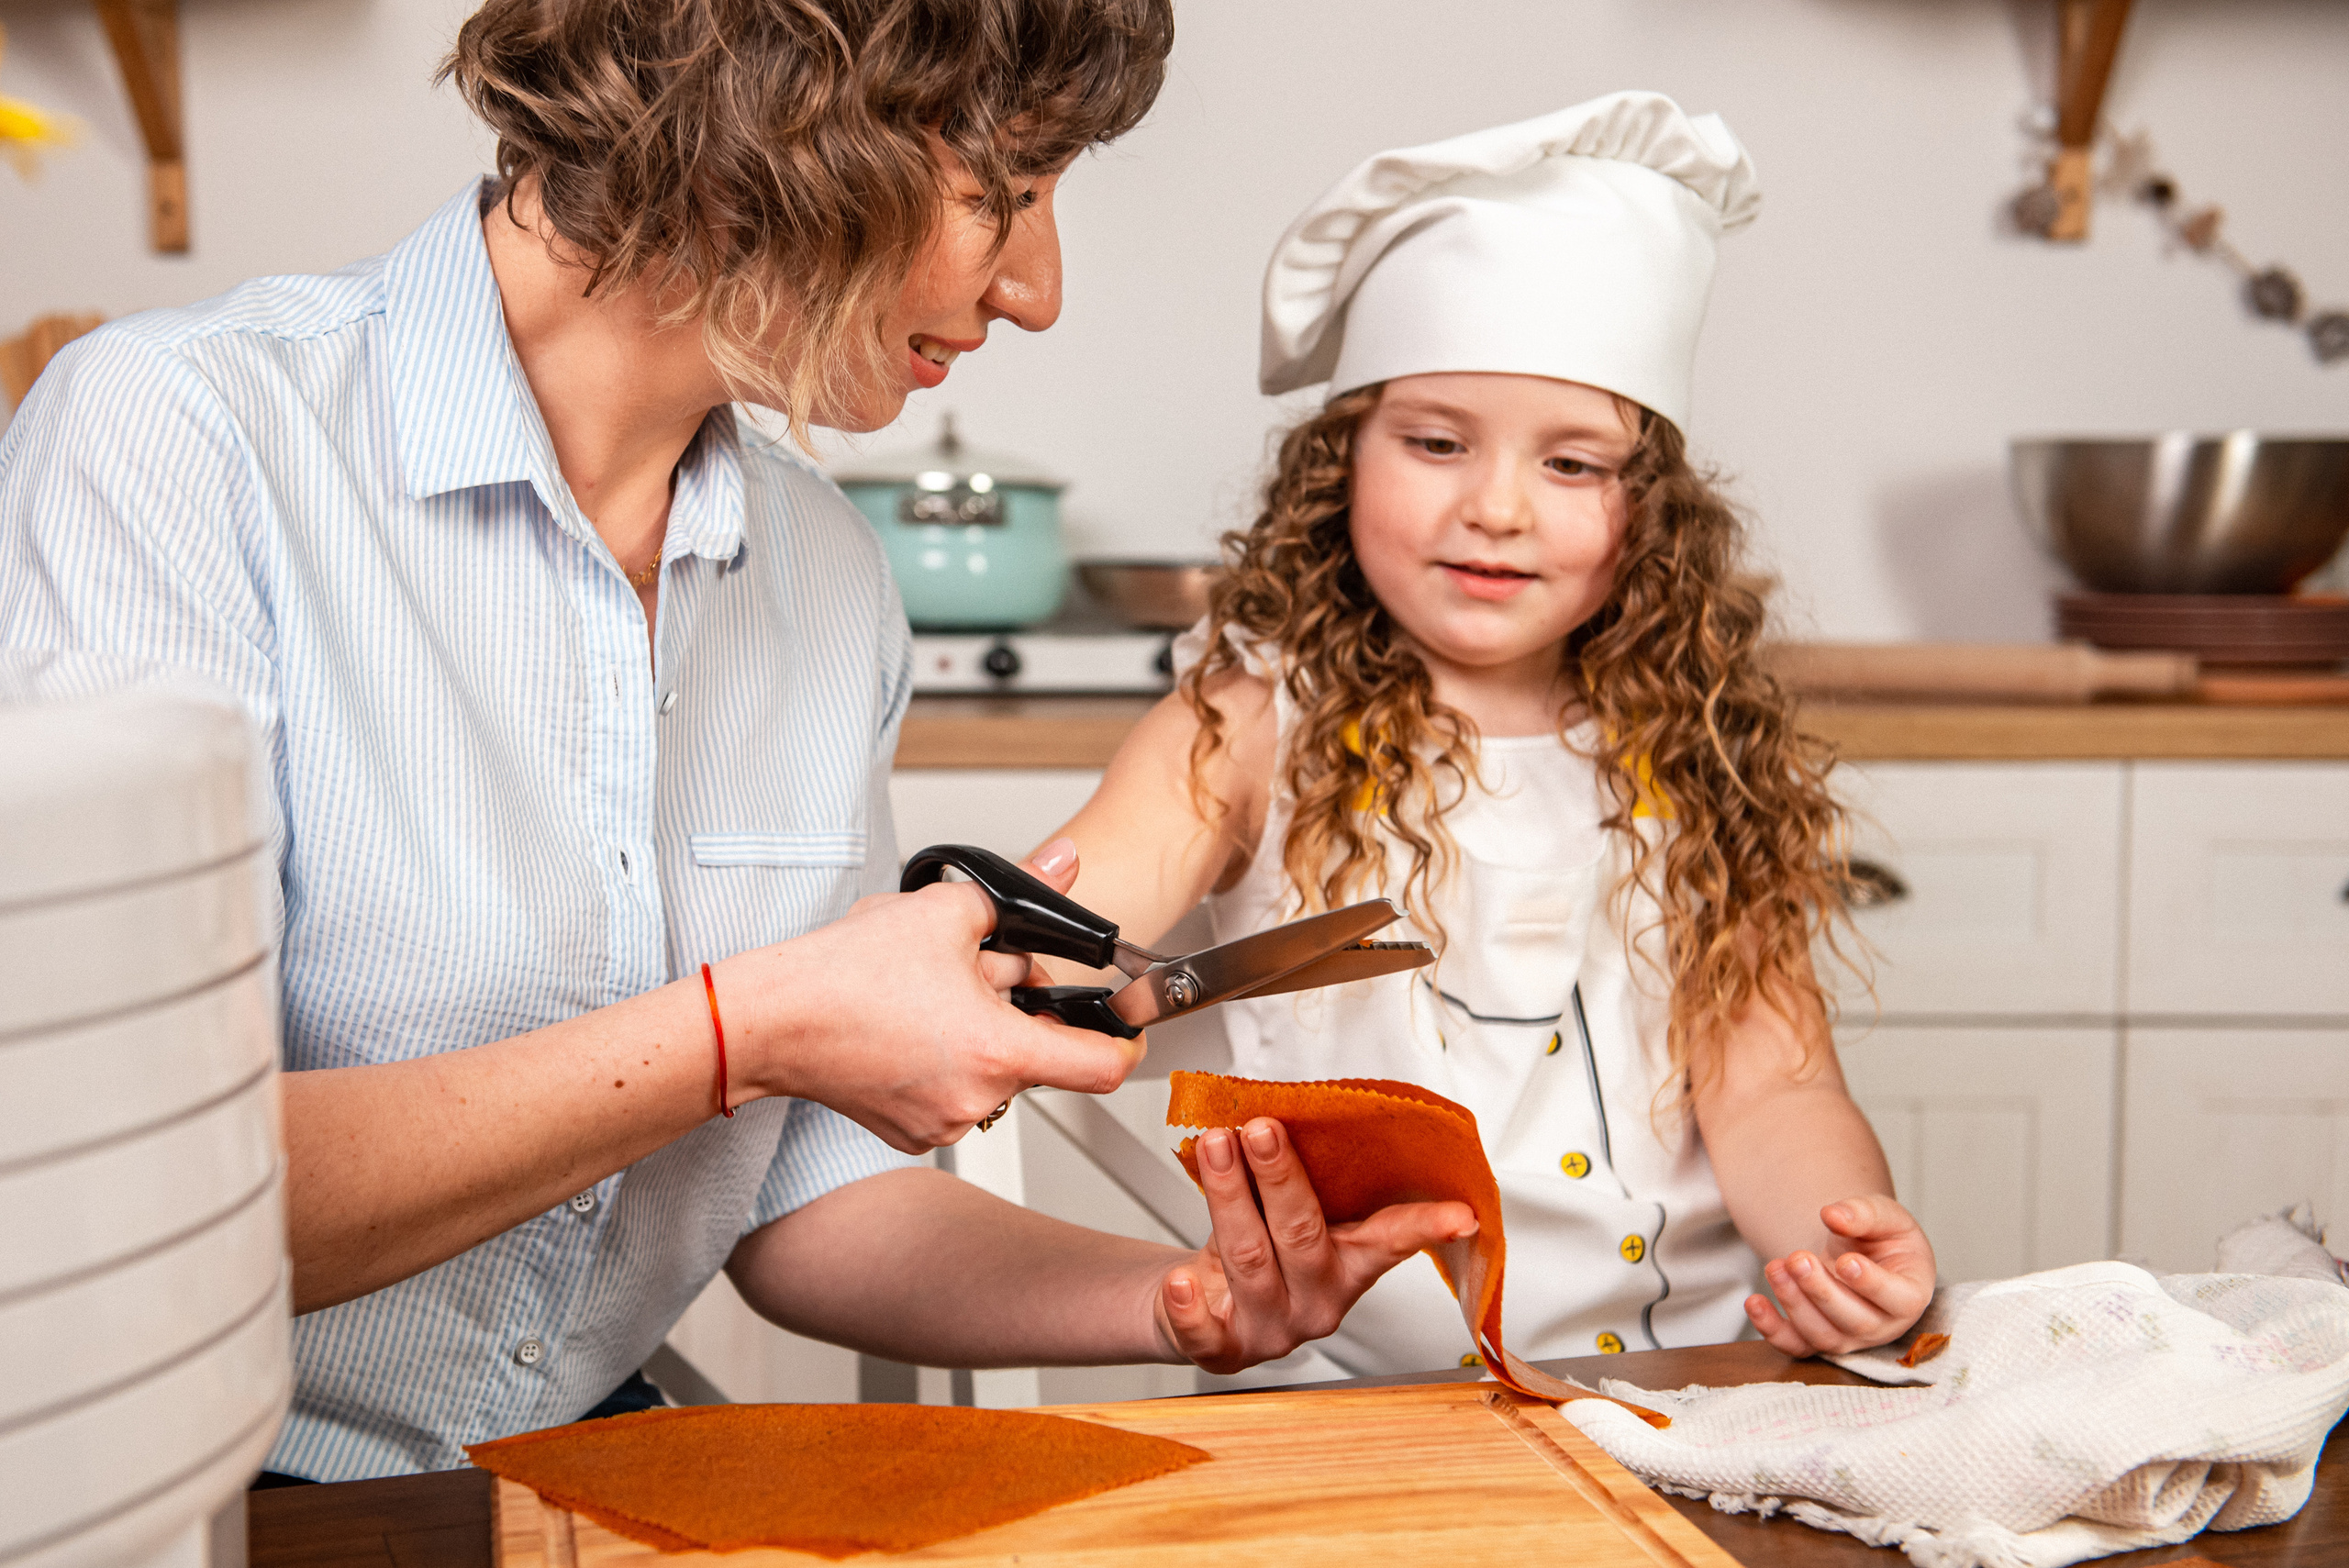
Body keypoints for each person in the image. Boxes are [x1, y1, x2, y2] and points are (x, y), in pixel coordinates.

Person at [0, 0, 1475, 1481]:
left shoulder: (824, 573)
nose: (1038, 288)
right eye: (1005, 193)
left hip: (575, 1472)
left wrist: (1178, 1305)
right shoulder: (179, 441)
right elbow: (142, 1207)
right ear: (781, 120)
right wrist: (741, 1029)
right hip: (193, 1496)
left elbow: (802, 1203)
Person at [1039, 93, 1937, 1379]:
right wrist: (1035, 965)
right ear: (1342, 460)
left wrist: (1840, 1254)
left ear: (1655, 509)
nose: (1498, 507)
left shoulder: (1689, 746)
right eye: (1437, 442)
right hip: (1342, 1396)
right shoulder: (1247, 722)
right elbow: (1078, 919)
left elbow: (1773, 1091)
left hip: (1680, 1379)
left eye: (1573, 465)